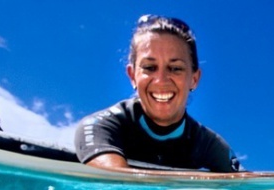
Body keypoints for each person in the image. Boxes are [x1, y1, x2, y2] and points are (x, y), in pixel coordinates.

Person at [74, 15, 242, 173]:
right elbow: (120, 187)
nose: (161, 81)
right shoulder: (101, 126)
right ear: (132, 76)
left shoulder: (209, 145)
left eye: (175, 68)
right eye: (149, 67)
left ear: (194, 79)